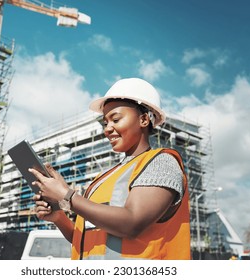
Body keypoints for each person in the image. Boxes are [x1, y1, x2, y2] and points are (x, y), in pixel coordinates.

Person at [30, 77, 191, 260]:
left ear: (144, 119)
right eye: (105, 122)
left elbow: (131, 223)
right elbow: (87, 239)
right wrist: (58, 217)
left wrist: (67, 196)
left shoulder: (162, 162)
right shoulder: (103, 179)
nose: (107, 129)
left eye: (115, 119)